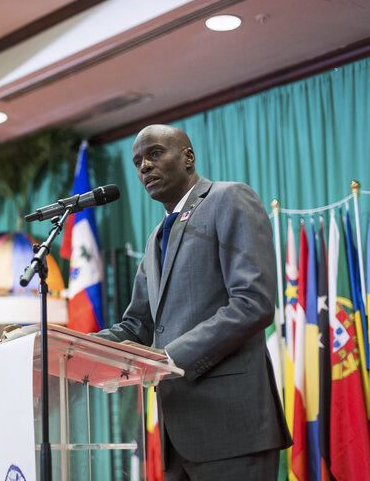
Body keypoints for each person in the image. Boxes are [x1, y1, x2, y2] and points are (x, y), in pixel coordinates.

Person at [91, 124, 291, 480]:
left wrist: (170, 358)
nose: (144, 168)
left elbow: (253, 302)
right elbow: (136, 327)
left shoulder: (229, 199)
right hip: (177, 436)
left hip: (233, 428)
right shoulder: (156, 239)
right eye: (138, 162)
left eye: (154, 154)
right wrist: (69, 345)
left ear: (188, 157)